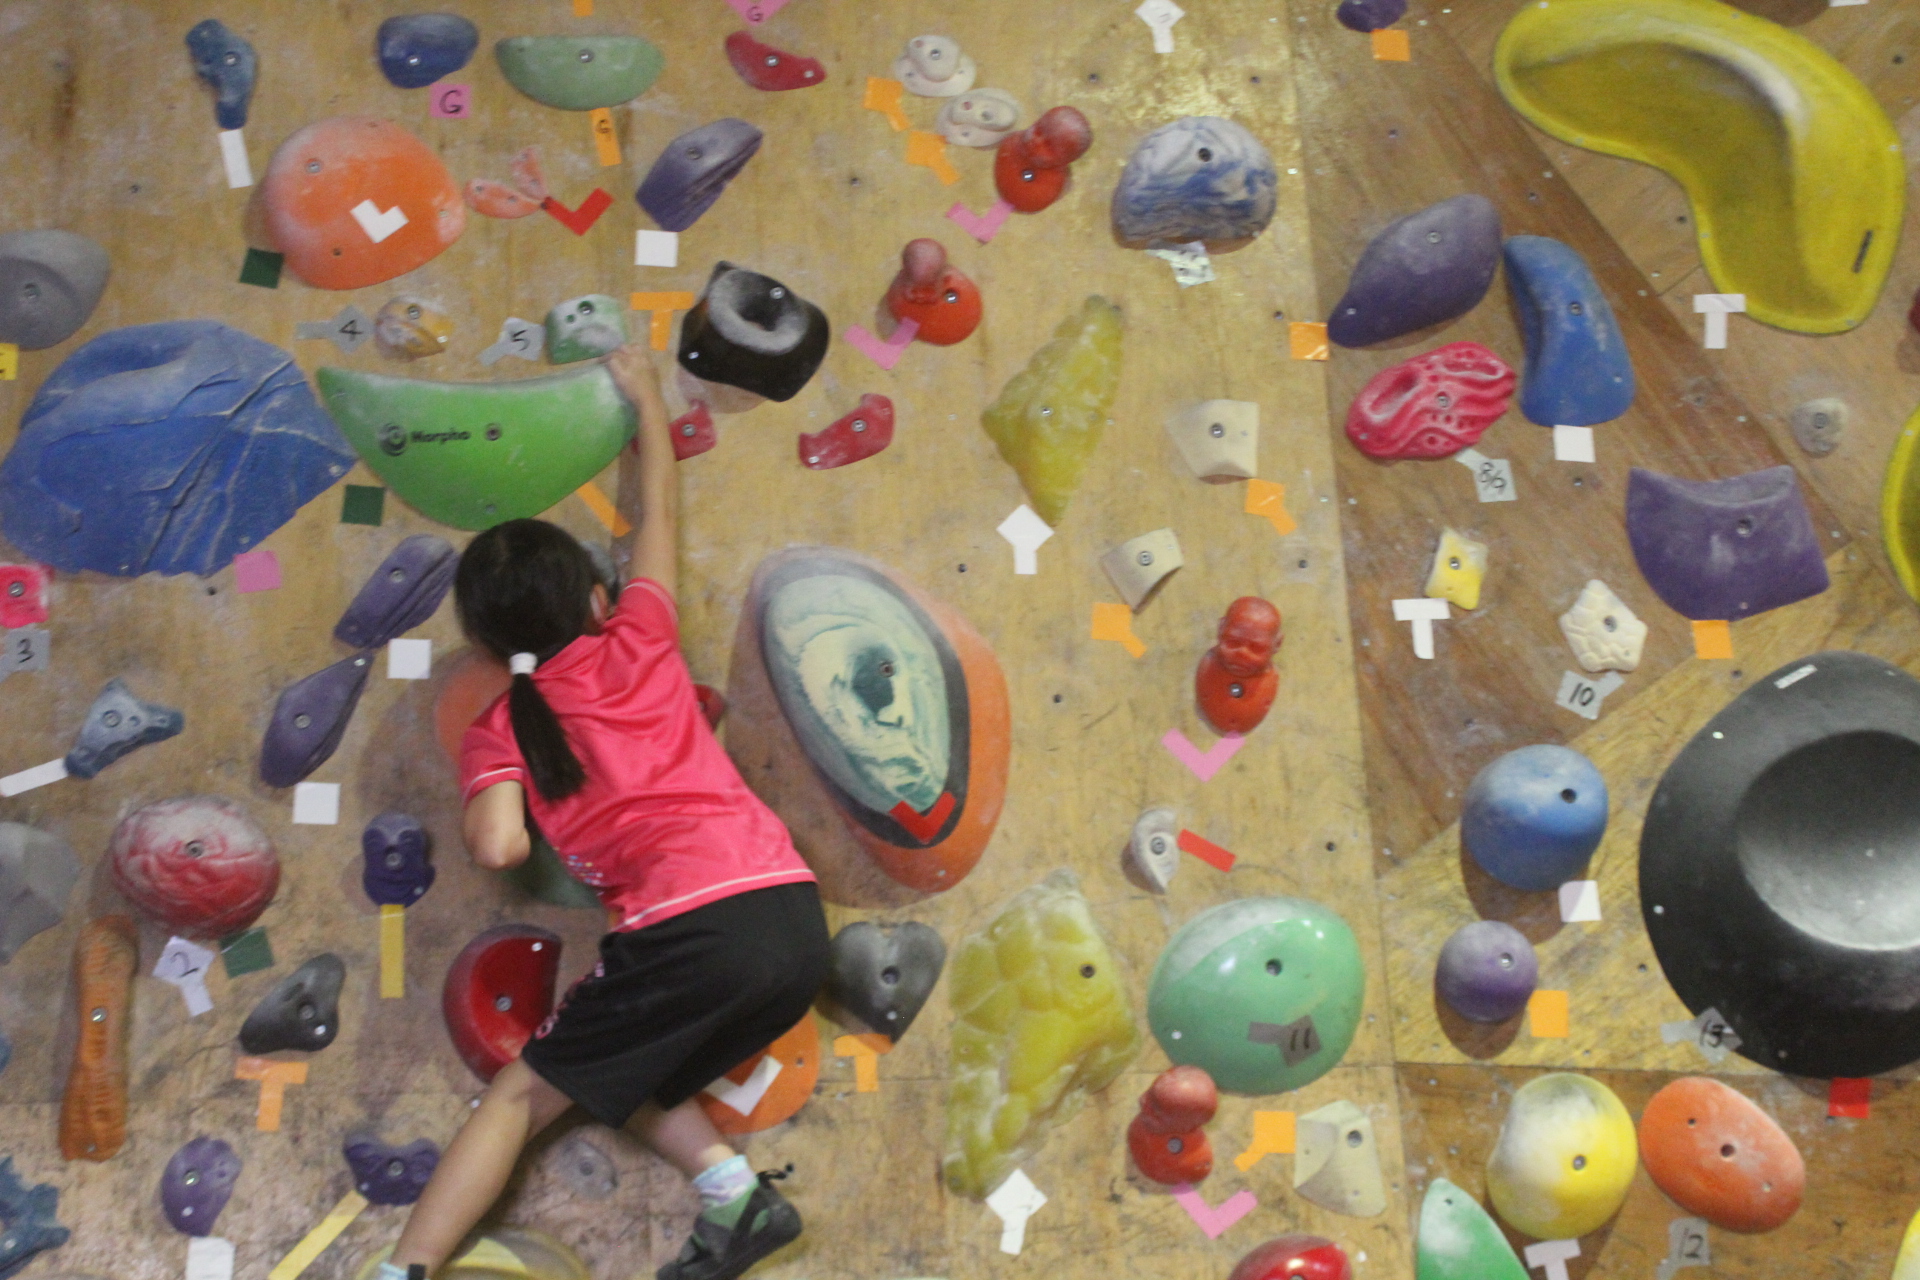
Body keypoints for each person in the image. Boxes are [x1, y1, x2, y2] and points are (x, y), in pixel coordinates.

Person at [374, 344, 829, 1280]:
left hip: (688, 931)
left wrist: (507, 789)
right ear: (594, 597)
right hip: (790, 918)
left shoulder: (502, 727)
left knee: (519, 1098)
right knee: (629, 1072)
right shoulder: (640, 635)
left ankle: (403, 1268)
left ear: (487, 645)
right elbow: (660, 511)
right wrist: (645, 400)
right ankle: (736, 1199)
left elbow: (499, 847)